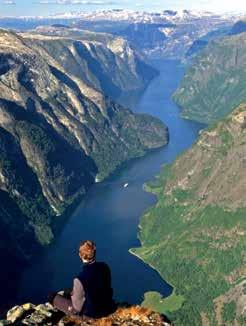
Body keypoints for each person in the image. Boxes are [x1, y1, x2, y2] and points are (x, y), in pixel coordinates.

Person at [50, 240, 115, 318]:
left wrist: (71, 296)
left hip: (91, 314)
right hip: (107, 307)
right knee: (68, 291)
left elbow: (77, 307)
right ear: (94, 253)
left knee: (52, 296)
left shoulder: (79, 279)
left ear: (80, 255)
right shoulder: (105, 267)